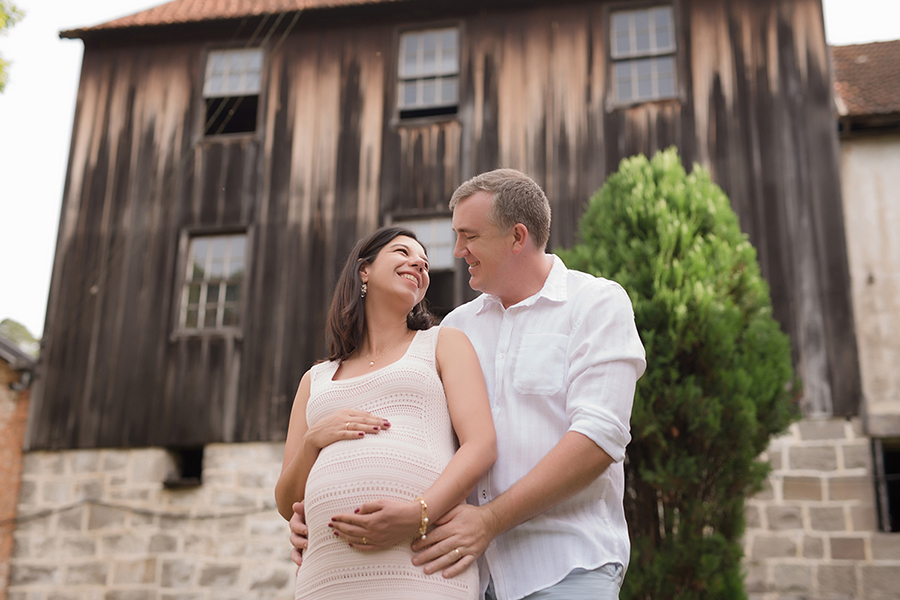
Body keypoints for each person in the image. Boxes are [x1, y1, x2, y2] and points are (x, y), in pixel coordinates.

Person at [291, 170, 646, 600]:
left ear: (517, 237)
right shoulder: (456, 327)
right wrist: (313, 508)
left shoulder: (595, 303)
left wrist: (488, 521)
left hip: (564, 563)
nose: (457, 251)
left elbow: (598, 439)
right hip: (464, 570)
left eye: (468, 236)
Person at [275, 225, 496, 600]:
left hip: (421, 566)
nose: (419, 264)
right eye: (402, 252)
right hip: (327, 578)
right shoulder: (315, 379)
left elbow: (481, 445)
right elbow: (286, 501)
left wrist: (417, 514)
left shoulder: (443, 343)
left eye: (425, 262)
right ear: (364, 270)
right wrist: (313, 441)